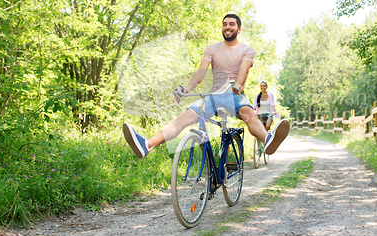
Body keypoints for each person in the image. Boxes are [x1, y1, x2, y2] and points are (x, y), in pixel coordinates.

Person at [122, 14, 290, 159]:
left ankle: (266, 140)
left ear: (239, 29)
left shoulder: (247, 49)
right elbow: (201, 72)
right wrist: (187, 89)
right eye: (225, 24)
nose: (227, 27)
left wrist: (238, 85)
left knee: (249, 114)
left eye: (231, 24)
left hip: (233, 94)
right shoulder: (212, 49)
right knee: (183, 118)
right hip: (213, 96)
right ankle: (147, 145)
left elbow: (244, 70)